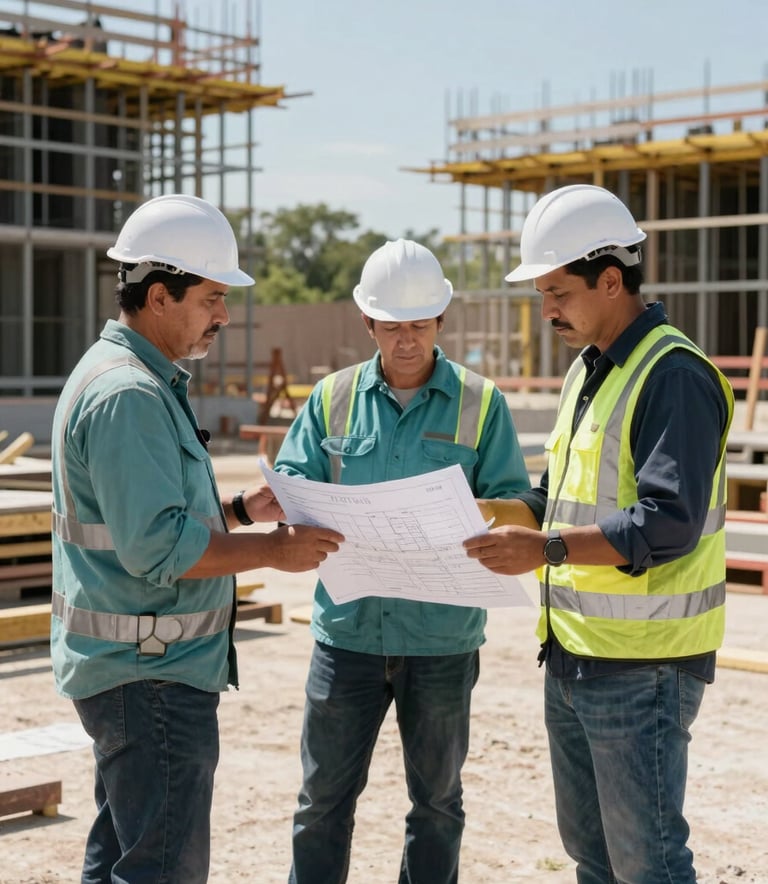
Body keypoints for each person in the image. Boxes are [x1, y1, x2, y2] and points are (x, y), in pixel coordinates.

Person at [50, 194, 343, 884]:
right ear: (159, 295)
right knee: (159, 868)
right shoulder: (130, 395)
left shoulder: (126, 378)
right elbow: (157, 549)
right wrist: (275, 550)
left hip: (130, 670)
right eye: (212, 296)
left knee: (124, 857)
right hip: (148, 678)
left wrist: (240, 510)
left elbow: (147, 519)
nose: (223, 315)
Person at [463, 184, 734, 884]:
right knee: (595, 857)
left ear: (611, 280)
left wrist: (544, 550)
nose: (546, 310)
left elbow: (667, 521)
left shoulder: (673, 375)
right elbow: (561, 499)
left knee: (649, 862)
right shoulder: (589, 368)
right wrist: (499, 512)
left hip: (644, 669)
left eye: (558, 292)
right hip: (577, 654)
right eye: (541, 294)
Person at [273, 238, 531, 884]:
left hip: (441, 642)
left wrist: (469, 515)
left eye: (419, 326)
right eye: (392, 327)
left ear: (441, 321)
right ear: (368, 323)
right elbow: (289, 486)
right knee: (321, 803)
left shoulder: (482, 404)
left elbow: (518, 506)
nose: (407, 341)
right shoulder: (331, 400)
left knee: (438, 805)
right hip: (347, 637)